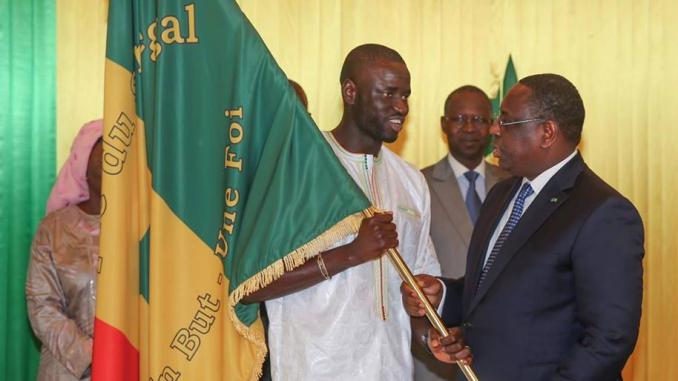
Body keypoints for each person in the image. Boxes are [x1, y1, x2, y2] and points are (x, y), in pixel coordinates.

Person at [403, 74, 644, 381]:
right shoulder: (502, 194)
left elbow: (609, 338)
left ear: (546, 132)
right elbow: (493, 289)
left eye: (506, 121)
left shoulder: (603, 212)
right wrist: (444, 294)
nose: (492, 130)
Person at [243, 43, 441, 381]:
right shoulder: (299, 166)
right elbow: (251, 284)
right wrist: (351, 253)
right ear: (350, 91)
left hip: (393, 370)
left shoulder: (411, 180)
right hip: (313, 370)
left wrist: (428, 308)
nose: (401, 106)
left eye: (406, 95)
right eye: (389, 93)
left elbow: (420, 279)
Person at [415, 86, 507, 380]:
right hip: (439, 349)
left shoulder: (515, 185)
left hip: (504, 346)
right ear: (444, 124)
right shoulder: (418, 185)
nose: (469, 128)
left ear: (492, 125)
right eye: (459, 119)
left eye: (479, 120)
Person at [26, 120, 104, 381]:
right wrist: (96, 354)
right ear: (83, 158)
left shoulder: (141, 228)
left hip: (131, 366)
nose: (112, 158)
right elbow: (41, 306)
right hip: (68, 371)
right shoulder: (54, 229)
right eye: (103, 150)